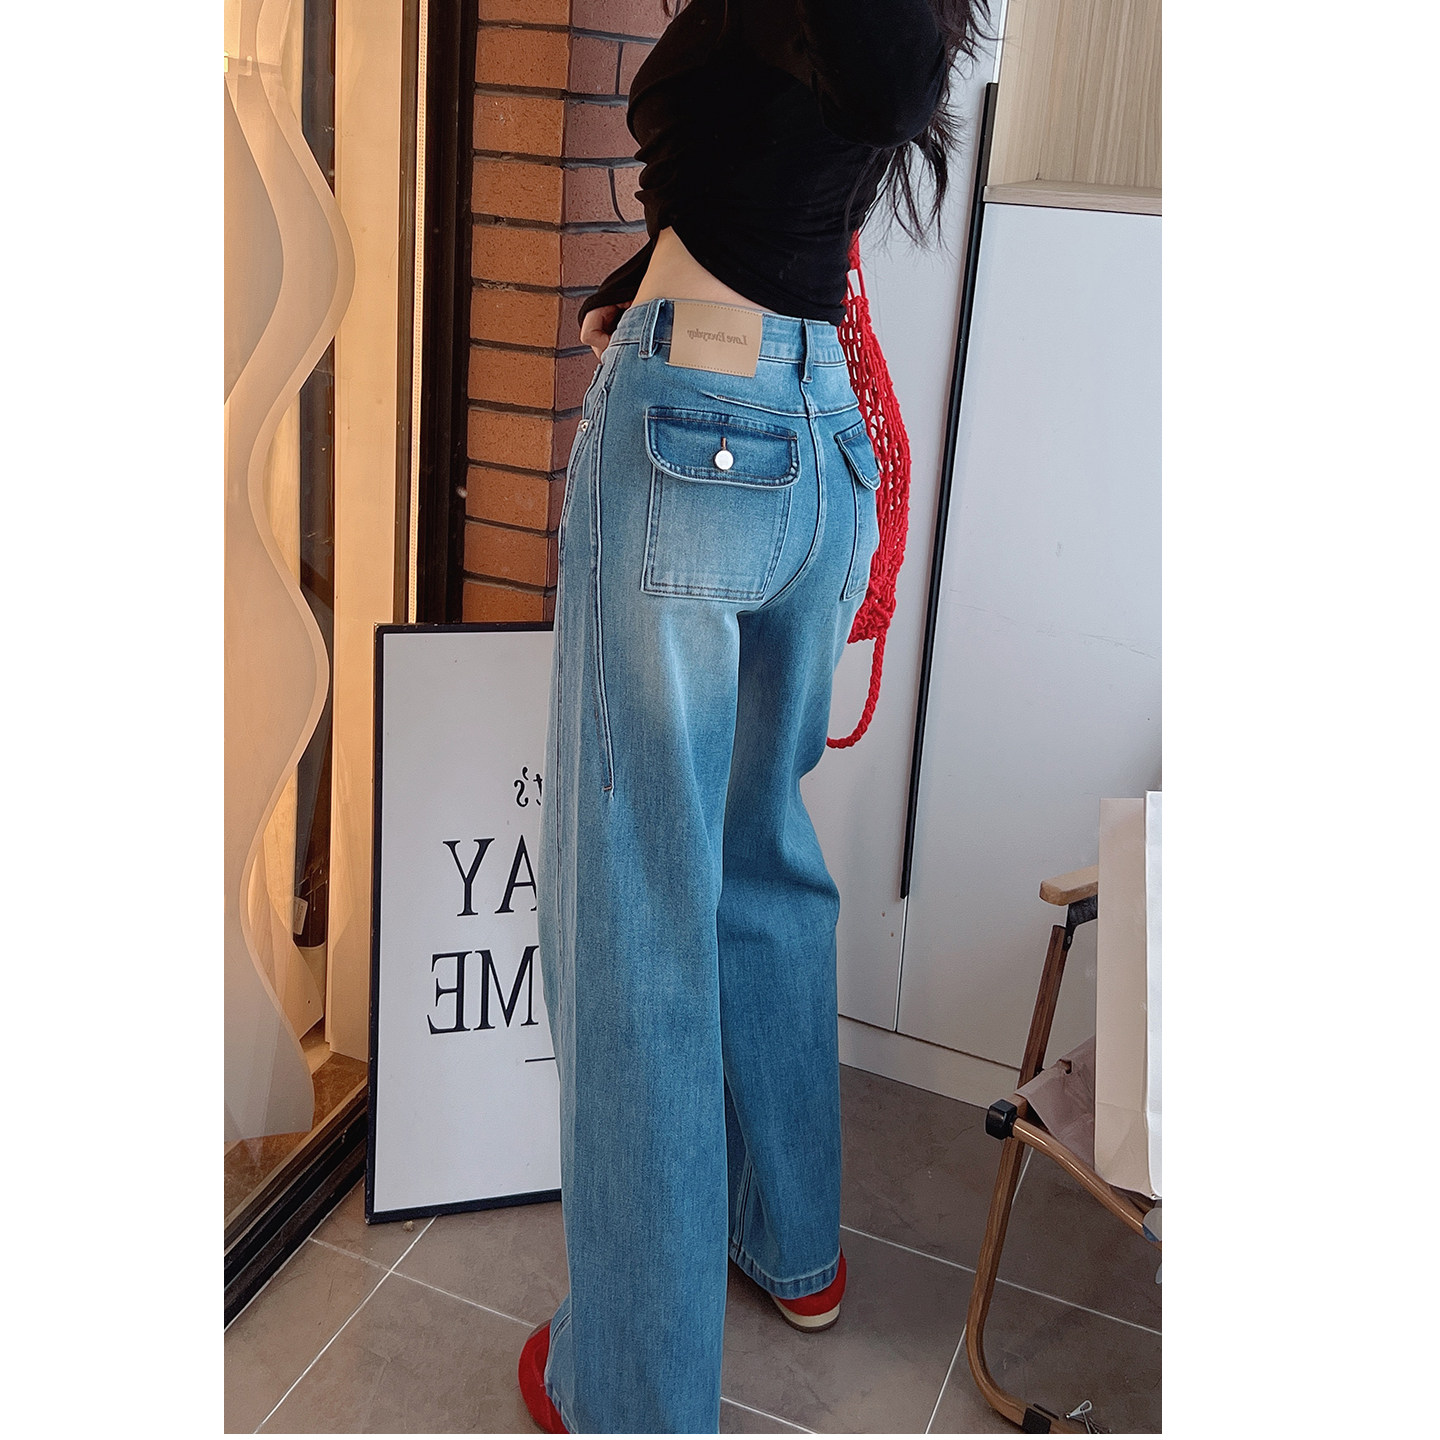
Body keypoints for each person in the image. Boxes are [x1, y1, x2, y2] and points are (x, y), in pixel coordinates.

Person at [520, 2, 989, 1431]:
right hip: (815, 422)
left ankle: (633, 1396)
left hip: (695, 430)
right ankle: (794, 1247)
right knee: (761, 866)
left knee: (638, 923)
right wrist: (643, 273)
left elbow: (775, 115)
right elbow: (781, 180)